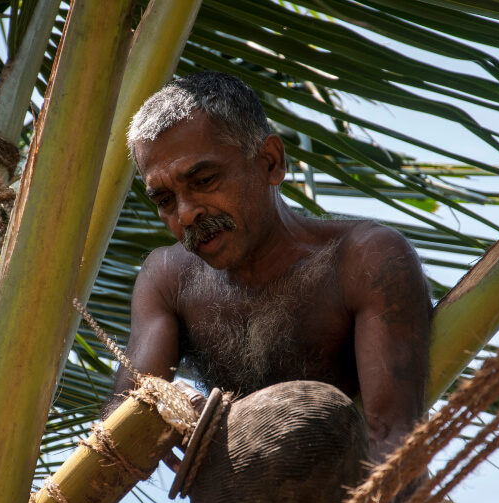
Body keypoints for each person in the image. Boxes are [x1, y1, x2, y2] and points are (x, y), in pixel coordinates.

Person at [107, 71, 432, 471]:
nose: (187, 213)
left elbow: (393, 443)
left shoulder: (364, 260)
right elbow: (118, 435)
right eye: (165, 199)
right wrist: (169, 401)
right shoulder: (168, 280)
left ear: (270, 162)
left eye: (204, 180)